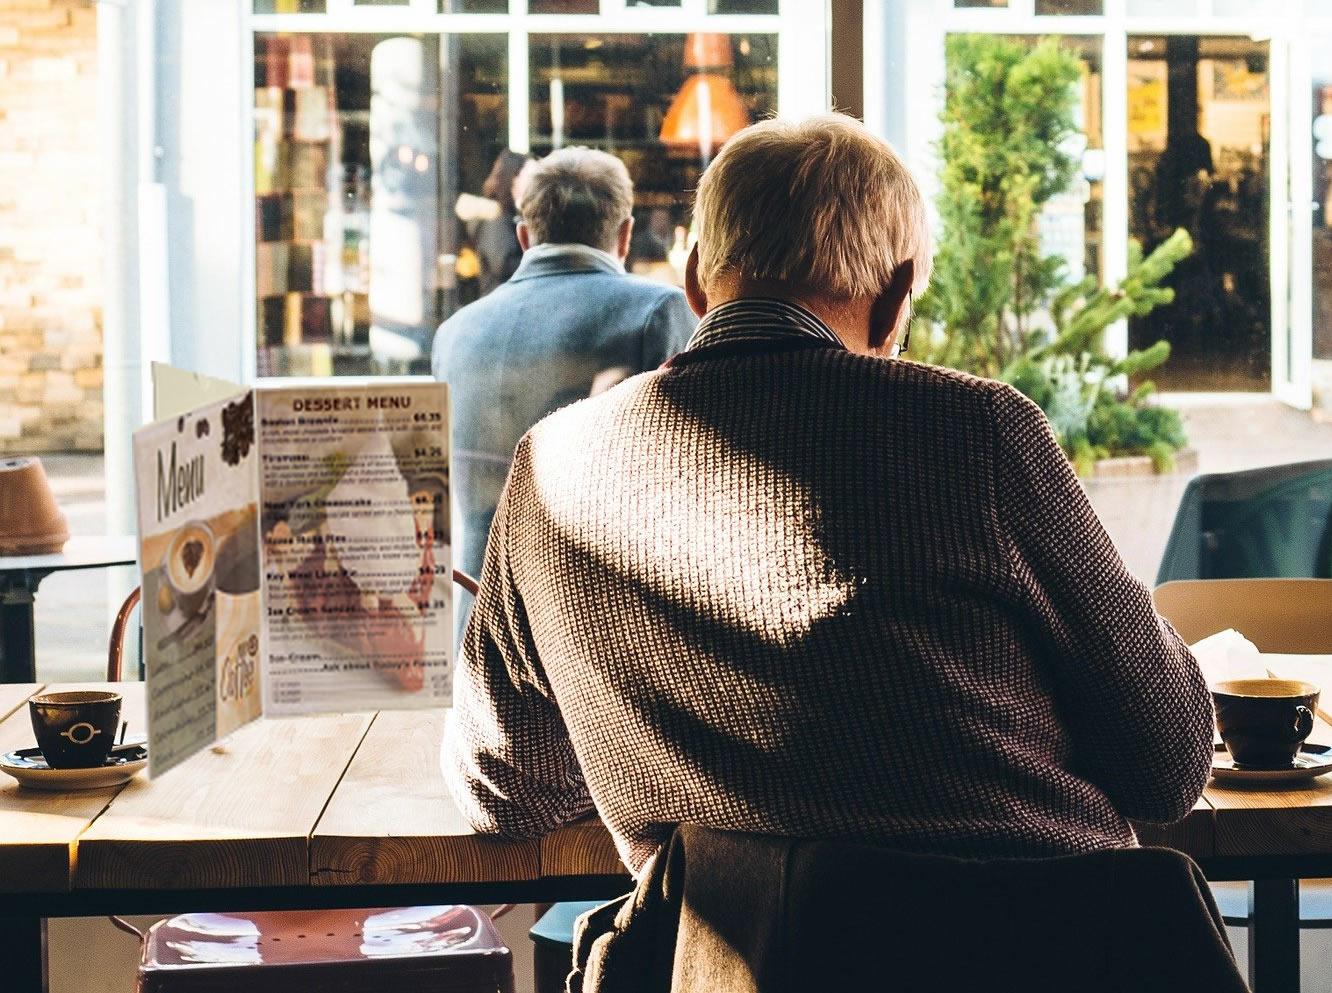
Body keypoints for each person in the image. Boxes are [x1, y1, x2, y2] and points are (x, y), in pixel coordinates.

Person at [441, 115, 1214, 877]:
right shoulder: (979, 433)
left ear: (696, 279)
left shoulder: (552, 466)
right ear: (895, 296)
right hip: (1046, 952)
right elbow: (1168, 764)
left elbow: (504, 791)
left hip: (734, 964)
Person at [432, 146, 696, 617]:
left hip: (473, 624)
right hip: (595, 627)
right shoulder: (656, 313)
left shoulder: (454, 335)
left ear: (524, 236)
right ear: (626, 235)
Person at [470, 148, 530, 297]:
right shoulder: (497, 216)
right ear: (513, 179)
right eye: (529, 176)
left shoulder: (509, 214)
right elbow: (502, 264)